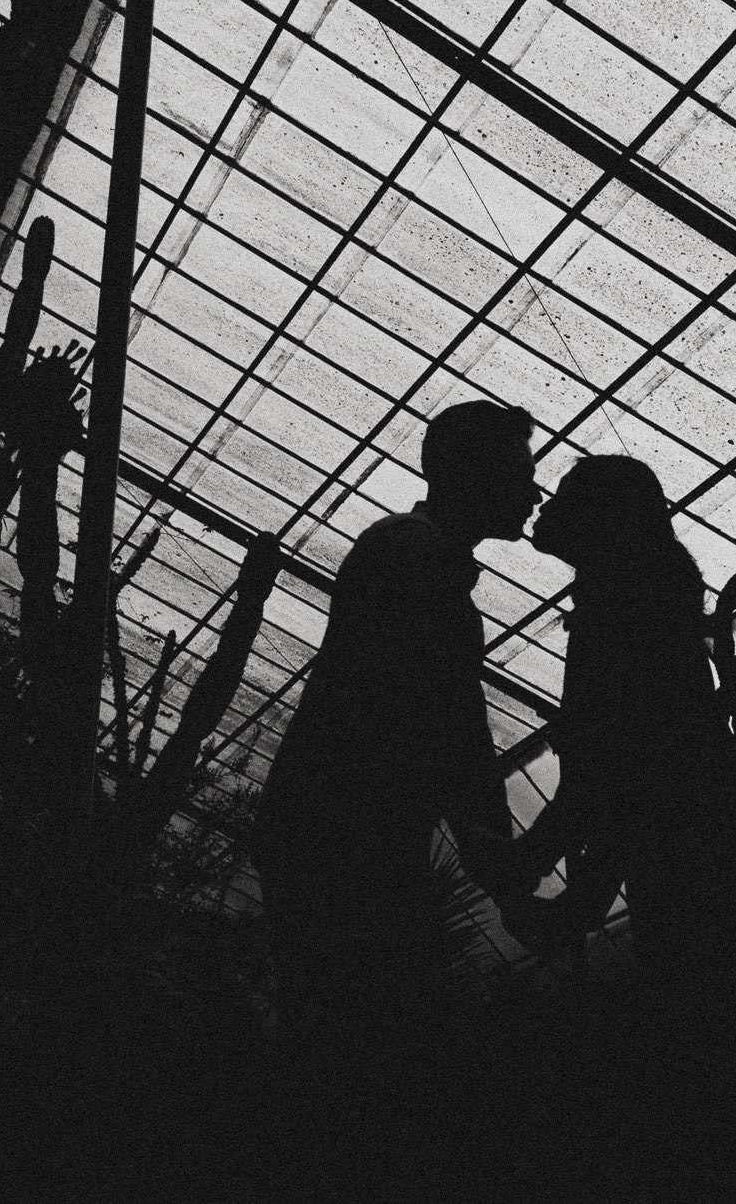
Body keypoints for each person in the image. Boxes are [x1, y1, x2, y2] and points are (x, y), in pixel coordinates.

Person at [248, 400, 543, 1040]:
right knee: (366, 1033)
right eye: (522, 475)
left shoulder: (407, 549)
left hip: (331, 831)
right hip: (345, 840)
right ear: (477, 474)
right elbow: (450, 721)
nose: (534, 493)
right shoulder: (417, 557)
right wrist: (496, 858)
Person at [501, 455, 736, 972]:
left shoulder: (622, 607)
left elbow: (621, 765)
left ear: (603, 518)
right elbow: (631, 773)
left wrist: (536, 862)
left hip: (690, 855)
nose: (548, 506)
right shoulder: (640, 591)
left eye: (566, 497)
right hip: (701, 843)